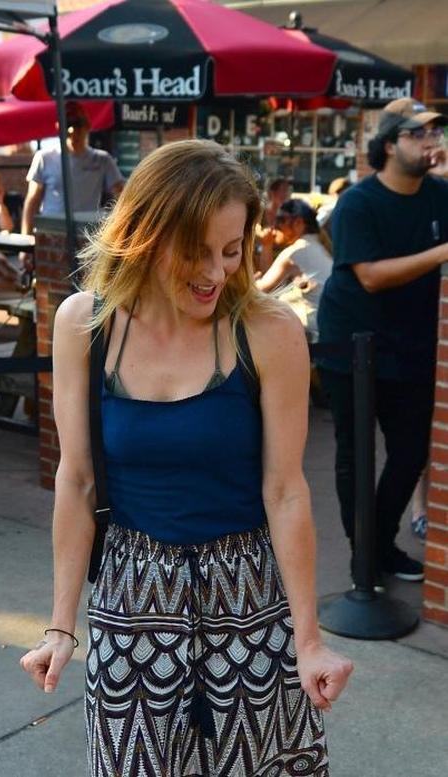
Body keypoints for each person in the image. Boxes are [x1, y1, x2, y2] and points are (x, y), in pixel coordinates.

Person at [20, 139, 353, 777]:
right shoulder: (82, 324)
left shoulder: (269, 331)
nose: (217, 272)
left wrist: (308, 641)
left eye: (232, 251)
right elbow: (78, 479)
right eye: (197, 251)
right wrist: (61, 625)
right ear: (144, 233)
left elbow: (285, 492)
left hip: (249, 592)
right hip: (130, 589)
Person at [316, 97, 448, 585]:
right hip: (352, 345)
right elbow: (370, 276)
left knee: (412, 451)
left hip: (412, 347)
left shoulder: (438, 196)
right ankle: (363, 556)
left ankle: (379, 543)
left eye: (435, 133)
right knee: (354, 453)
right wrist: (443, 251)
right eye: (419, 134)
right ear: (390, 145)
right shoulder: (358, 202)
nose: (432, 141)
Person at [20, 103, 123, 267]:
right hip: (51, 235)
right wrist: (26, 241)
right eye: (67, 124)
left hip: (88, 234)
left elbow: (122, 196)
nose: (72, 131)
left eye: (78, 124)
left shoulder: (103, 160)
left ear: (88, 126)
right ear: (58, 127)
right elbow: (32, 201)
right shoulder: (44, 157)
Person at [255, 198, 333, 342]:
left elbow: (259, 290)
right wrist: (267, 245)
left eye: (281, 220)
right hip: (328, 328)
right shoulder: (318, 245)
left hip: (316, 334)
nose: (275, 225)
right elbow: (270, 281)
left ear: (298, 223)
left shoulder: (297, 252)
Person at [256, 176, 292, 271]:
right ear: (272, 192)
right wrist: (264, 236)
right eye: (283, 190)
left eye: (287, 191)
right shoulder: (261, 211)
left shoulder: (288, 214)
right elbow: (255, 231)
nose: (286, 194)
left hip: (281, 254)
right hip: (261, 251)